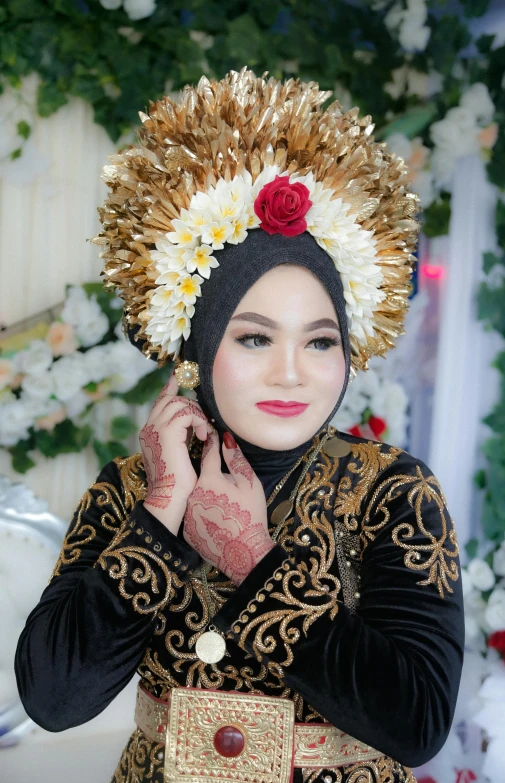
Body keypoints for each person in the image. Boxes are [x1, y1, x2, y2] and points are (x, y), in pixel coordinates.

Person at [15, 69, 464, 783]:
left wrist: (256, 564)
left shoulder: (393, 493)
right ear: (198, 347)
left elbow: (417, 723)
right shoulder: (131, 489)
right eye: (254, 337)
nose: (293, 371)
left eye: (320, 341)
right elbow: (54, 697)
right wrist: (161, 514)